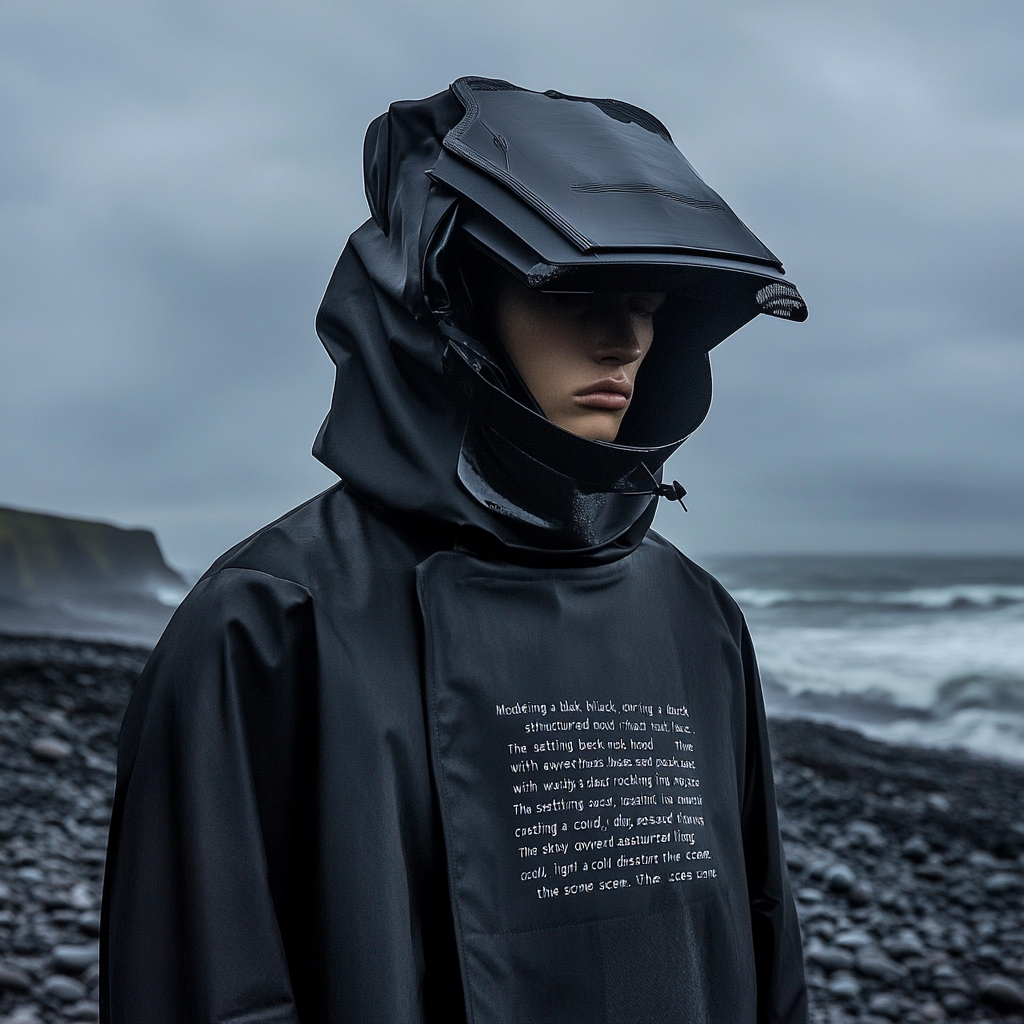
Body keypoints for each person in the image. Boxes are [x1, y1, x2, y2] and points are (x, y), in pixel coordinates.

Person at [100, 77, 809, 1023]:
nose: (624, 339)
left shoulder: (693, 614)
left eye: (644, 302)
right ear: (454, 298)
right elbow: (200, 988)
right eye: (578, 292)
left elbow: (764, 944)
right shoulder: (270, 621)